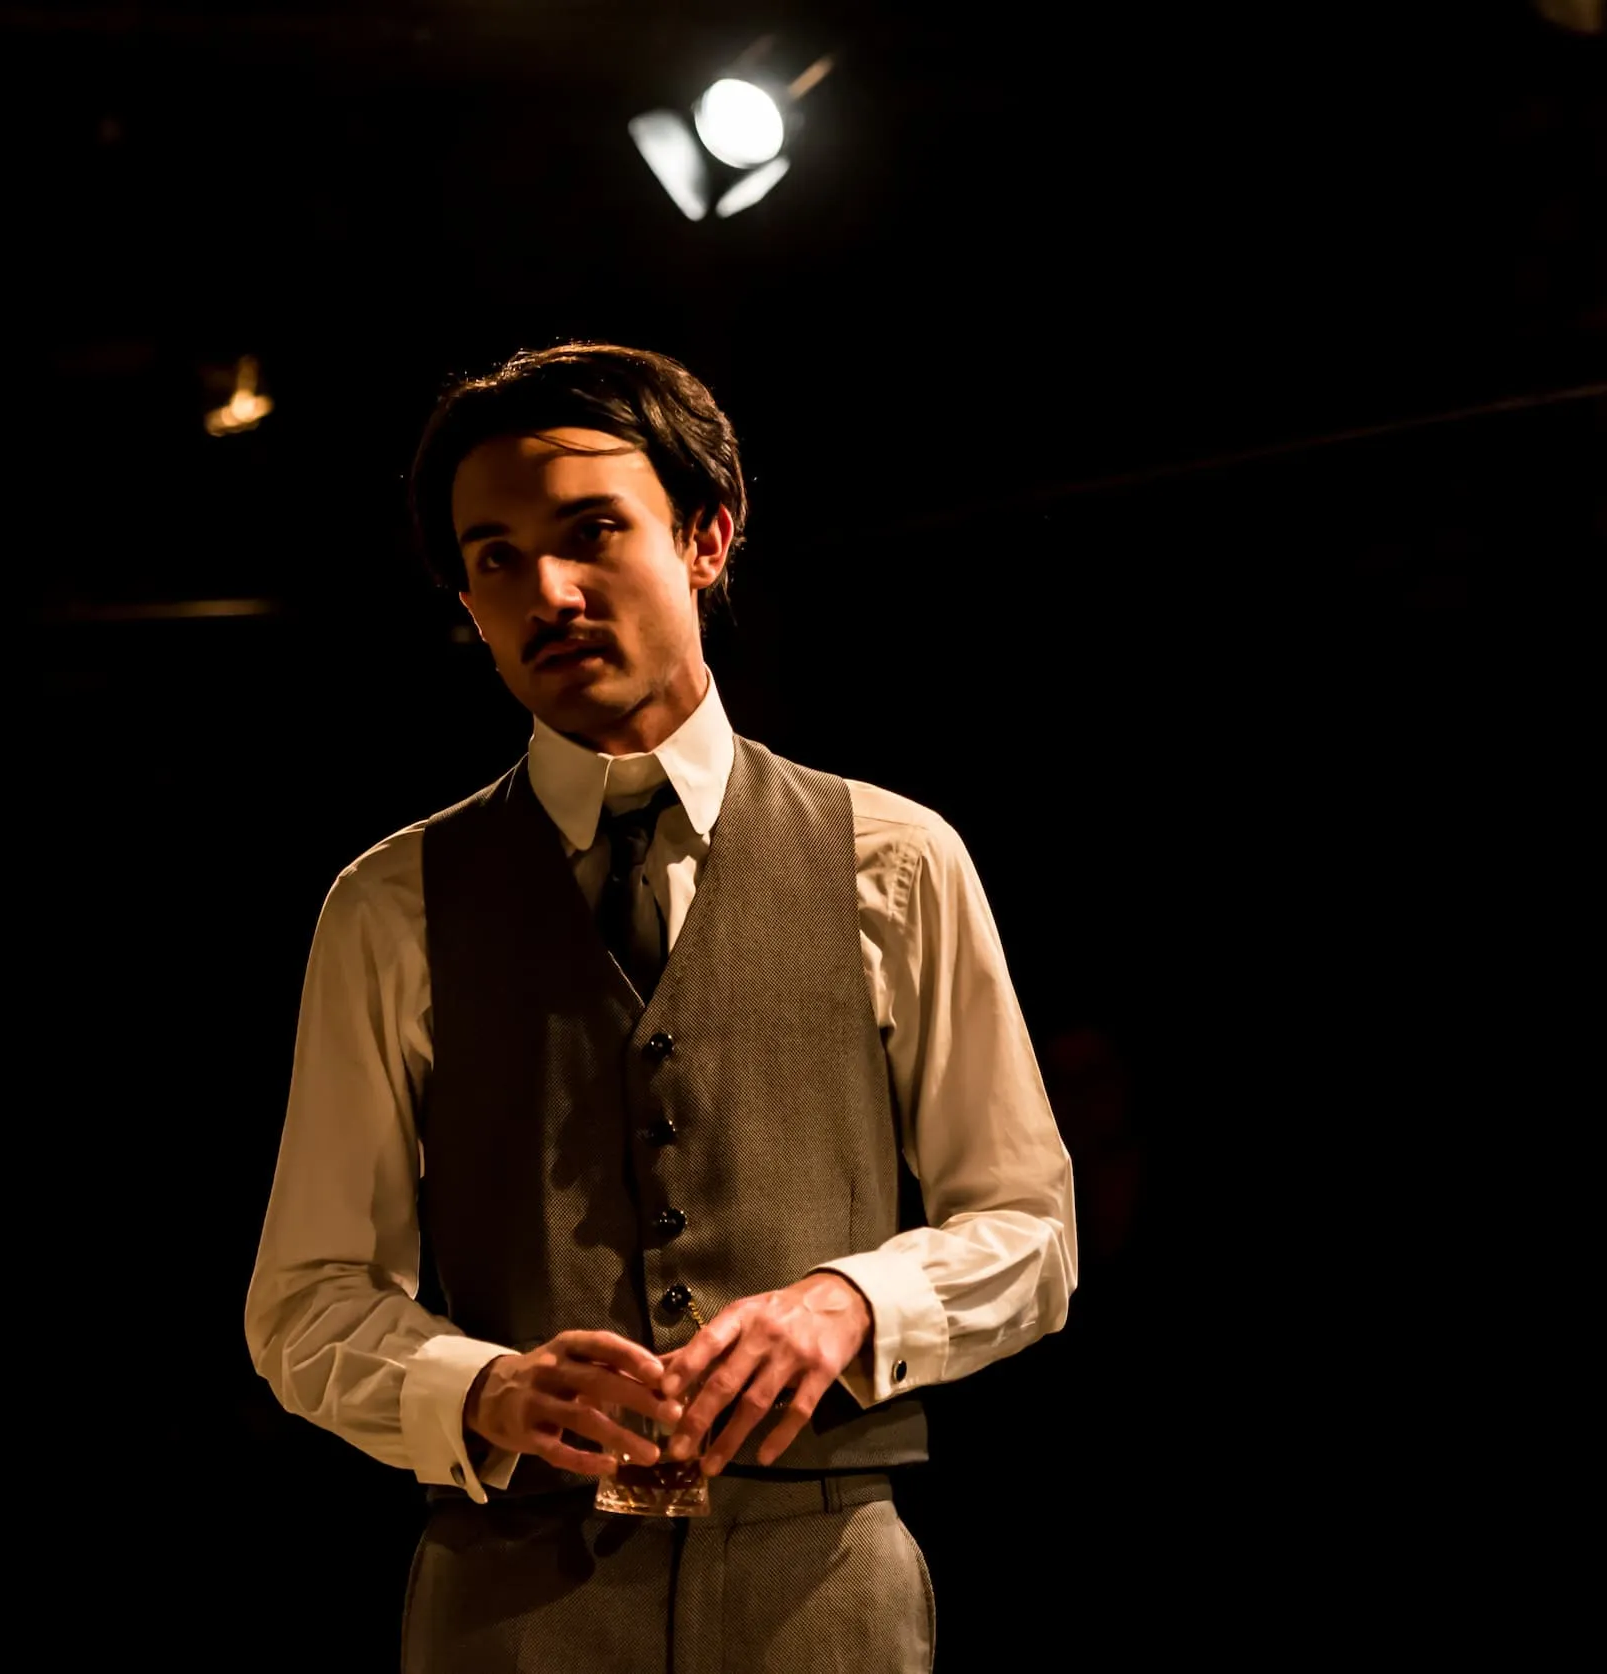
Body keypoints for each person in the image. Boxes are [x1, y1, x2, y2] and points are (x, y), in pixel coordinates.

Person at [245, 343, 1077, 1672]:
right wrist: (481, 1387)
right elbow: (305, 1300)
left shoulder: (894, 861)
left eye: (591, 533)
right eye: (497, 559)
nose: (548, 592)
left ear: (706, 538)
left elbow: (1031, 1229)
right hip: (510, 1601)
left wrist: (854, 1302)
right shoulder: (389, 906)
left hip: (823, 1586)